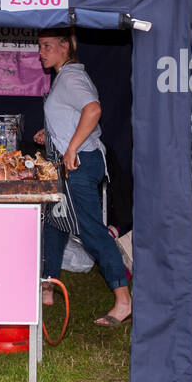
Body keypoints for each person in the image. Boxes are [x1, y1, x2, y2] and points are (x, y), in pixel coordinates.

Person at [33, 28, 131, 327]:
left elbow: (93, 109)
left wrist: (72, 147)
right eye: (40, 47)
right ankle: (47, 288)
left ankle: (124, 301)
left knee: (91, 231)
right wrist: (50, 136)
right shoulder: (64, 76)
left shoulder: (72, 76)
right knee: (54, 223)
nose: (42, 53)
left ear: (66, 46)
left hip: (80, 164)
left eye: (48, 46)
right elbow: (73, 117)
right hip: (71, 163)